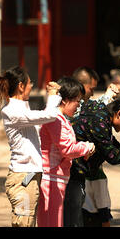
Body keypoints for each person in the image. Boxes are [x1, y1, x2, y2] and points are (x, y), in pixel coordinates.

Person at [0, 66, 61, 227]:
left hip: (28, 176)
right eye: (30, 83)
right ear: (21, 86)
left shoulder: (21, 109)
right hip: (23, 179)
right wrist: (53, 96)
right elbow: (49, 115)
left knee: (28, 223)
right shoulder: (11, 111)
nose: (32, 86)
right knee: (24, 223)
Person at [65, 94, 120, 227]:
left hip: (74, 175)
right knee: (72, 222)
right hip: (70, 175)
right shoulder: (99, 120)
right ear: (119, 113)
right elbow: (113, 156)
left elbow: (112, 145)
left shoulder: (101, 117)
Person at [63, 66, 120, 227]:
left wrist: (108, 96)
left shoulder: (81, 107)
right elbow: (90, 112)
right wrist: (87, 148)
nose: (93, 93)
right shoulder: (70, 112)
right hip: (70, 174)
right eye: (91, 89)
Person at [37, 77, 96, 227]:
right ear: (64, 100)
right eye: (77, 100)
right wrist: (87, 147)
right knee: (51, 222)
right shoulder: (55, 118)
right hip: (50, 178)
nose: (79, 105)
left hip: (56, 177)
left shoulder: (60, 118)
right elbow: (67, 148)